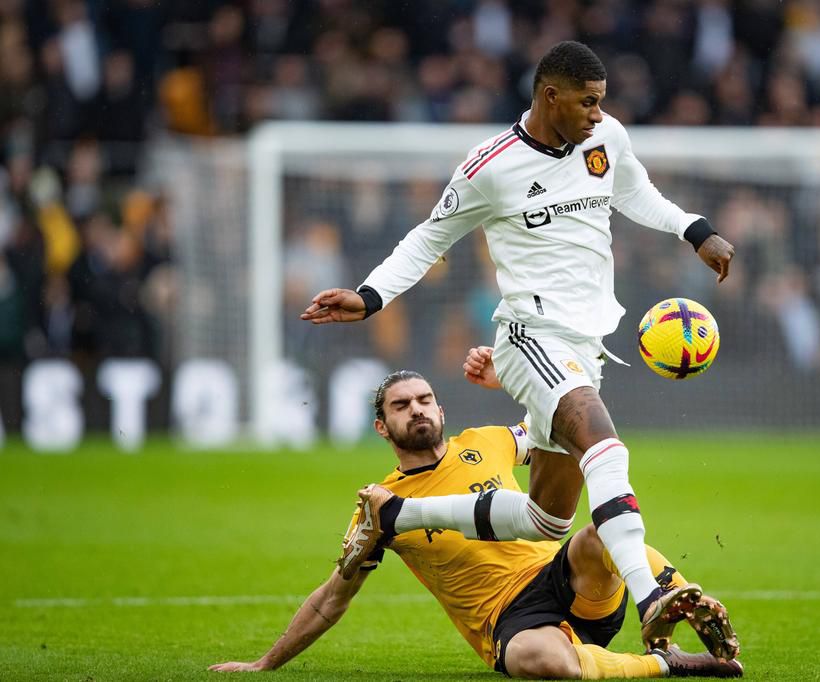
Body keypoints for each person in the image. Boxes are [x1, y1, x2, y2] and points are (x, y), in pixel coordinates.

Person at [300, 40, 736, 640]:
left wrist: (696, 230)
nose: (596, 114)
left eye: (601, 103)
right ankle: (651, 595)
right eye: (586, 102)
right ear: (549, 96)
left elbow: (635, 193)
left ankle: (399, 514)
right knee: (605, 447)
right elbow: (430, 238)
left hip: (585, 344)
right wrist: (370, 296)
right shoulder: (489, 167)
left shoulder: (606, 137)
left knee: (548, 521)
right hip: (529, 335)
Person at [209, 371, 741, 678]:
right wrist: (265, 664)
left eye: (424, 400)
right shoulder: (379, 508)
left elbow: (559, 426)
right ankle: (669, 664)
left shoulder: (485, 441)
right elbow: (332, 598)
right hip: (506, 623)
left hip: (567, 582)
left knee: (598, 533)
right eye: (401, 406)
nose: (416, 410)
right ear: (381, 426)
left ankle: (668, 597)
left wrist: (508, 375)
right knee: (545, 663)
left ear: (440, 410)